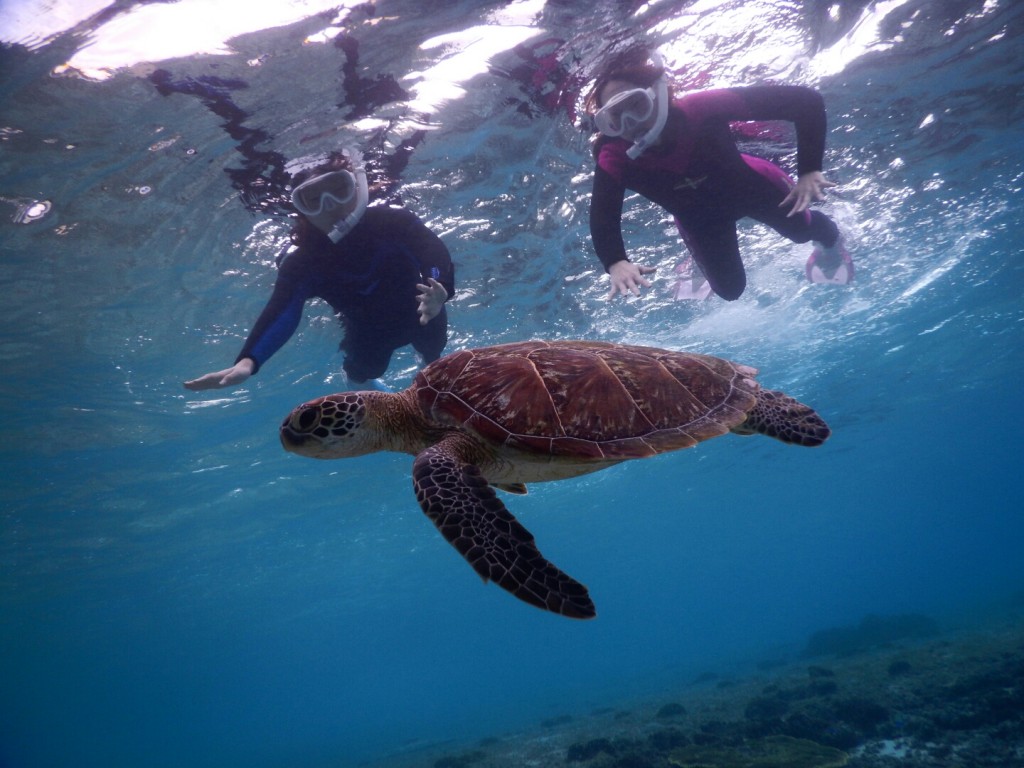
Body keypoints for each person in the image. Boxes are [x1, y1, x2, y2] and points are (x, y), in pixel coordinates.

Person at [586, 47, 853, 302]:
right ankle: (693, 258)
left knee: (802, 231)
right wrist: (616, 261)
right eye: (615, 118)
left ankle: (832, 246)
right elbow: (603, 214)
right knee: (730, 290)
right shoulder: (614, 155)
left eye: (636, 105)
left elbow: (805, 101)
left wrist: (808, 170)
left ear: (658, 93)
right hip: (700, 220)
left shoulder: (699, 109)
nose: (630, 123)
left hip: (756, 188)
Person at [184, 150, 455, 391]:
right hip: (368, 334)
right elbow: (282, 310)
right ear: (301, 212)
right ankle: (370, 390)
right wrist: (248, 361)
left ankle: (427, 380)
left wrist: (439, 287)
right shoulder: (303, 264)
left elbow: (431, 250)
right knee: (363, 372)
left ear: (356, 187)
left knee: (434, 353)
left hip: (423, 312)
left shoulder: (394, 223)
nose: (331, 206)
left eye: (339, 190)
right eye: (313, 200)